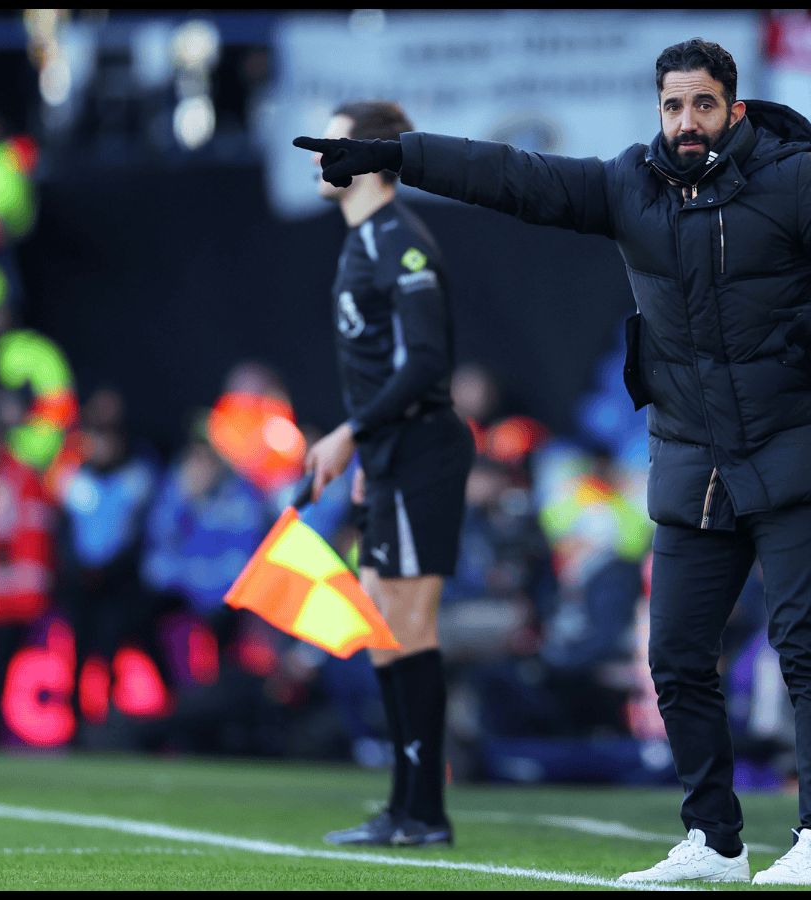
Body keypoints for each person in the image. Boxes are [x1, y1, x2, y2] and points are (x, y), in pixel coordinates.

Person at [295, 38, 811, 885]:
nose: (686, 121)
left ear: (732, 109)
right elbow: (513, 175)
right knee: (672, 655)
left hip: (792, 444)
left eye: (702, 104)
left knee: (803, 647)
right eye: (672, 106)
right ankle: (714, 842)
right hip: (691, 456)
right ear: (657, 111)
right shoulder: (628, 184)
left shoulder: (794, 179)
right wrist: (399, 157)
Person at [301, 100, 476, 848]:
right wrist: (368, 451)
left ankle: (423, 812)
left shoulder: (399, 242)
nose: (318, 155)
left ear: (370, 157)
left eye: (332, 141)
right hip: (391, 456)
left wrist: (351, 433)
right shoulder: (361, 241)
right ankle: (405, 808)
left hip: (420, 450)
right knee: (380, 626)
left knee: (405, 624)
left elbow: (426, 365)